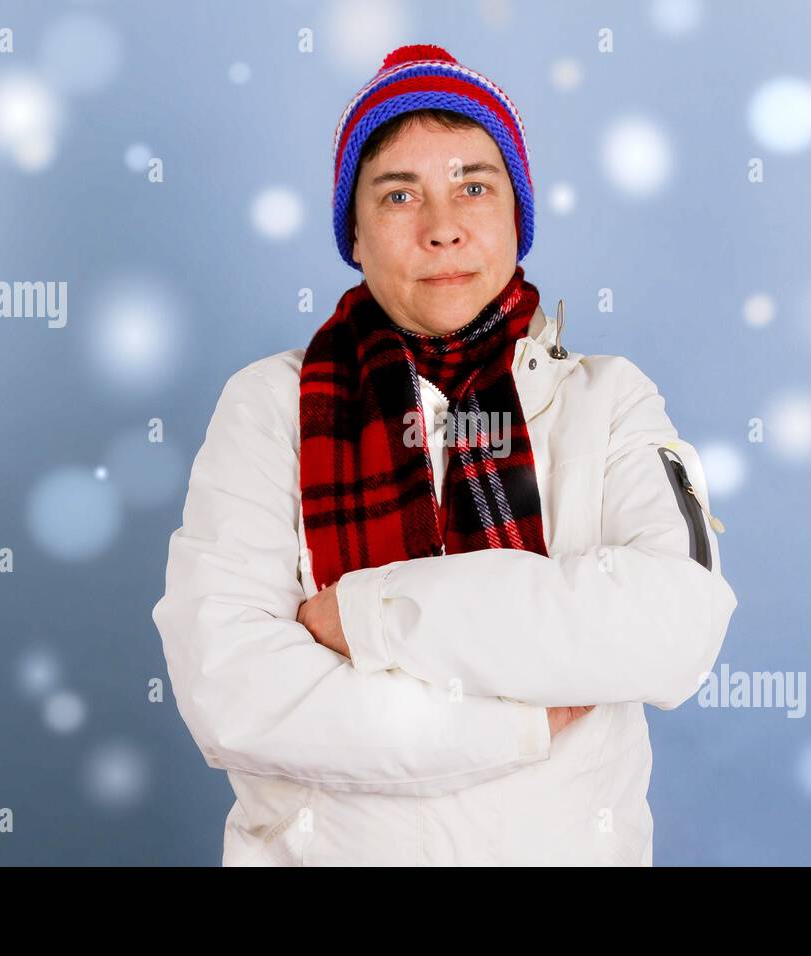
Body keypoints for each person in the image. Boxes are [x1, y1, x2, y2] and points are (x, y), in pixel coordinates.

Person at [152, 43, 739, 866]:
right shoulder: (268, 408)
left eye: (474, 186)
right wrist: (516, 722)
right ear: (353, 233)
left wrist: (366, 617)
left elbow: (675, 629)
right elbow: (234, 694)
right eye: (399, 195)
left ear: (515, 217)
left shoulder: (610, 401)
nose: (443, 228)